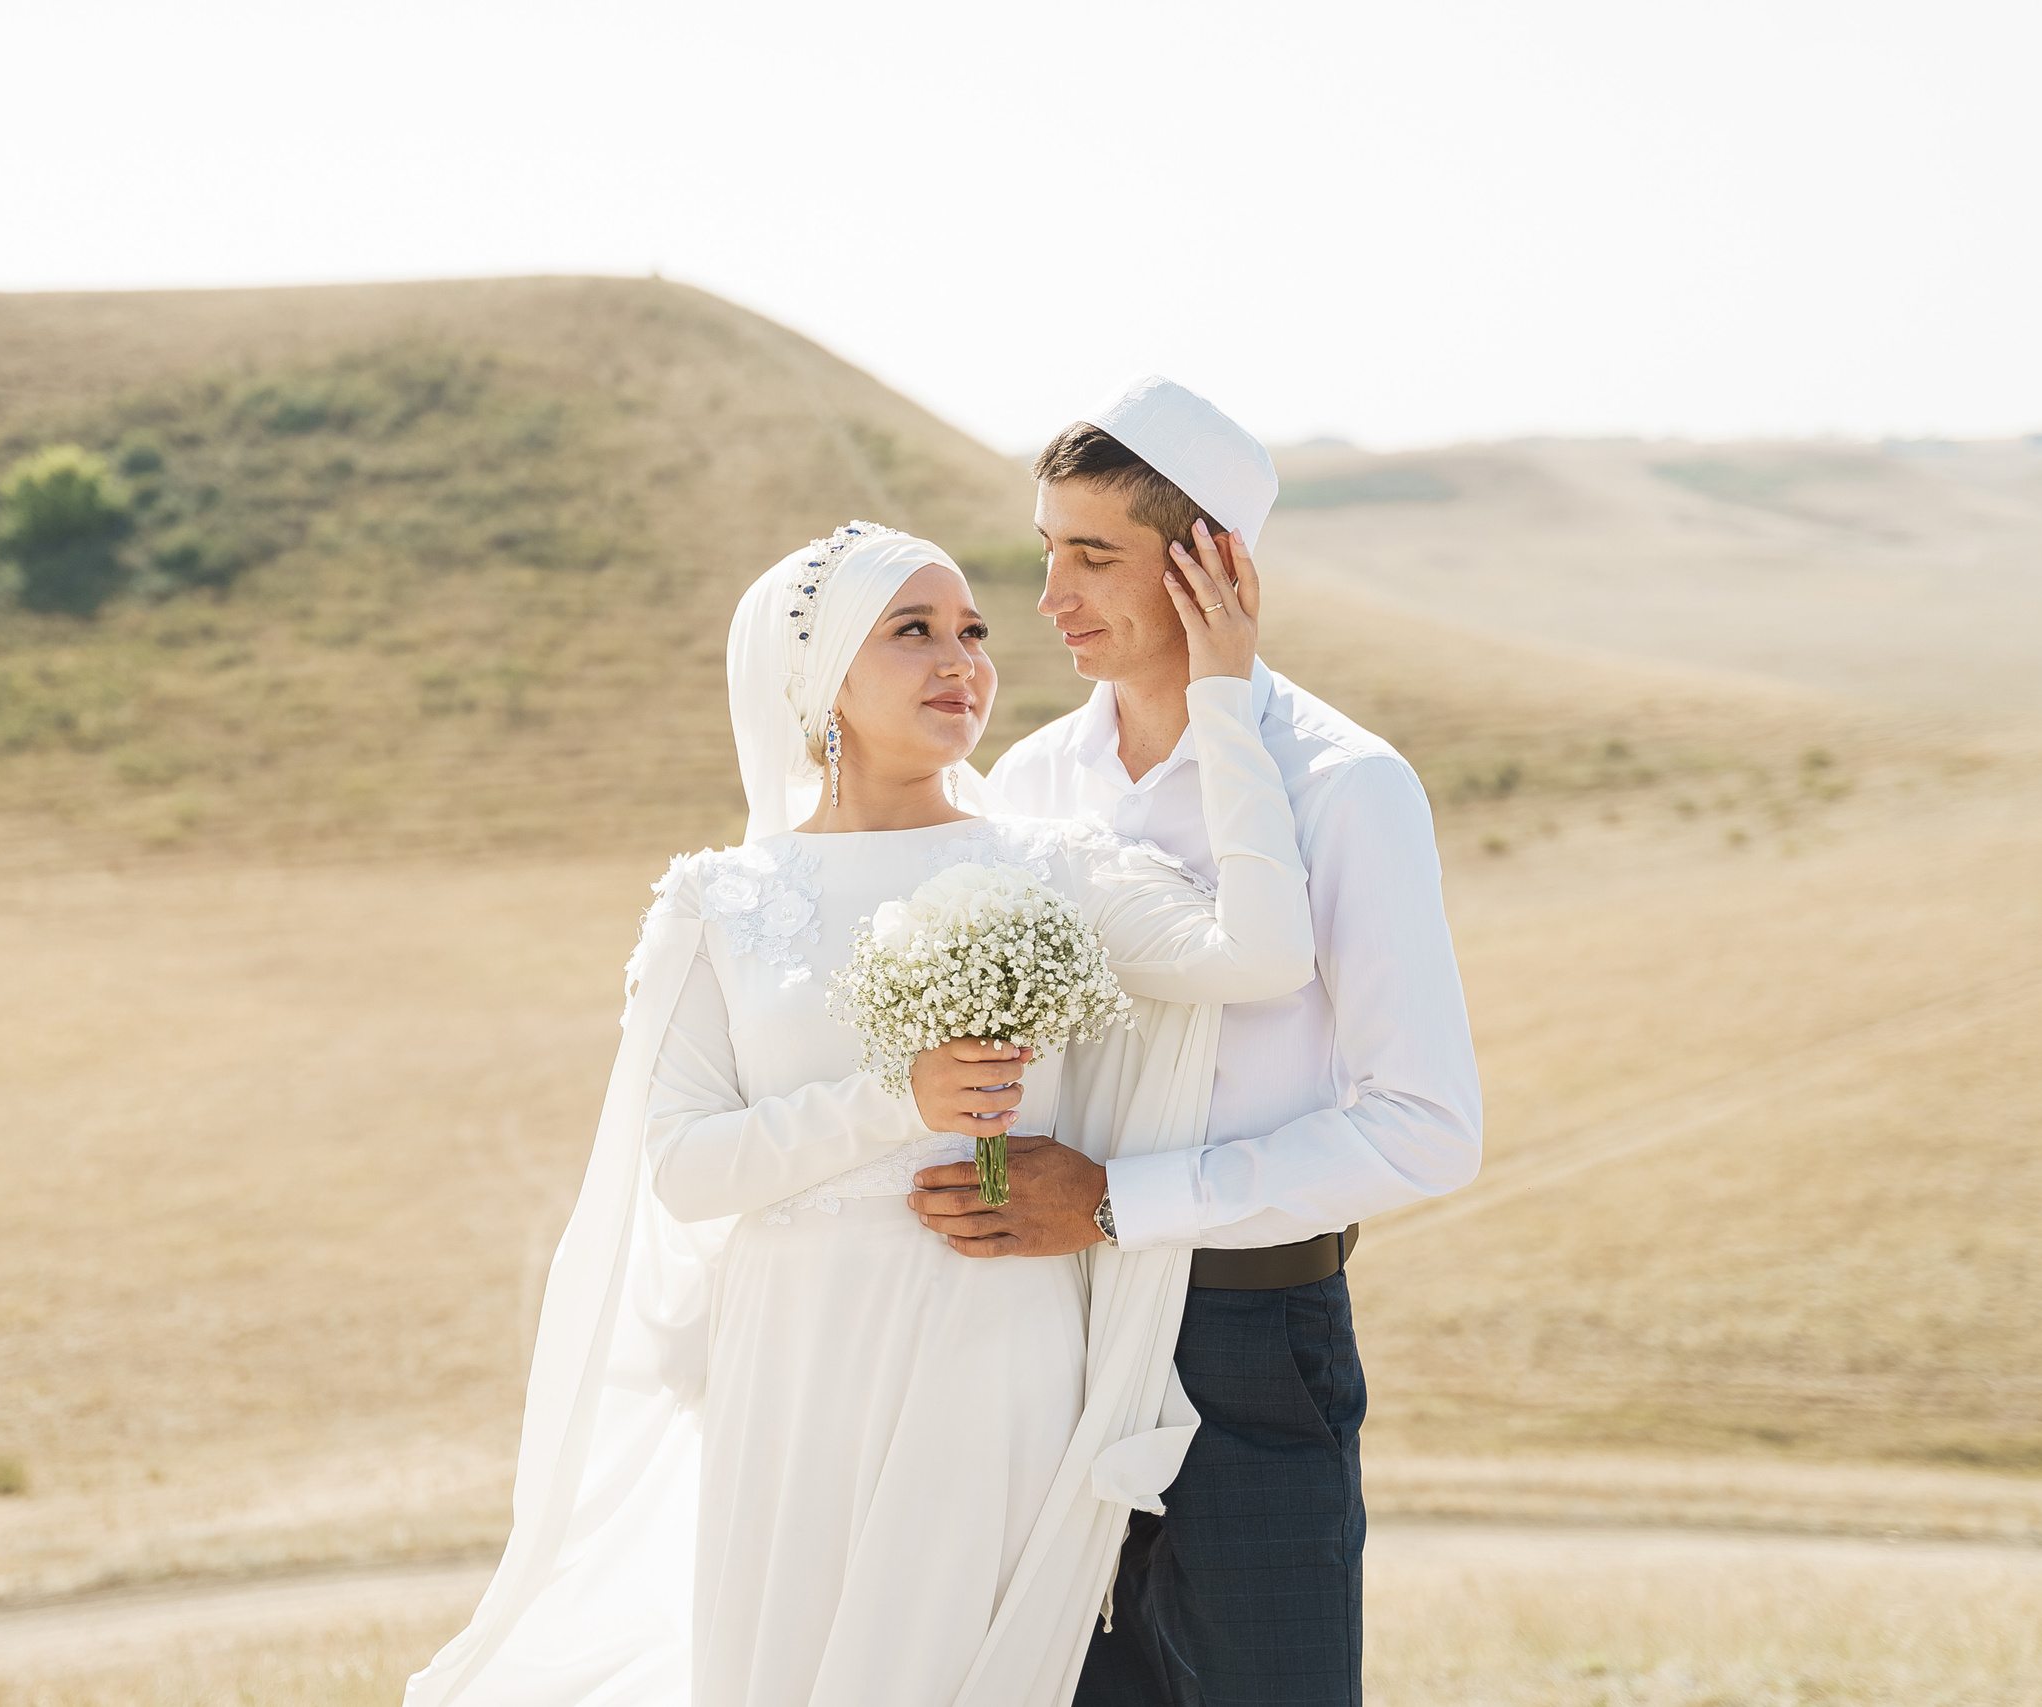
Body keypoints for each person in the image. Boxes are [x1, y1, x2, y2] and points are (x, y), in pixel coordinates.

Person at [407, 520, 1317, 1707]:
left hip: (992, 1345)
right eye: (913, 632)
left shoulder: (1056, 865)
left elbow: (1262, 955)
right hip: (789, 1363)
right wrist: (899, 1099)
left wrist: (1222, 697)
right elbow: (683, 1167)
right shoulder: (720, 900)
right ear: (820, 677)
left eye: (972, 632)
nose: (961, 661)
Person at [913, 376, 1485, 1705]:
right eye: (1046, 550)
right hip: (1042, 1328)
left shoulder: (1344, 786)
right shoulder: (1031, 781)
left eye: (1092, 555)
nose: (1048, 596)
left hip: (1249, 1339)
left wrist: (1119, 1201)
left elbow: (1428, 1127)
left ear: (1212, 564)